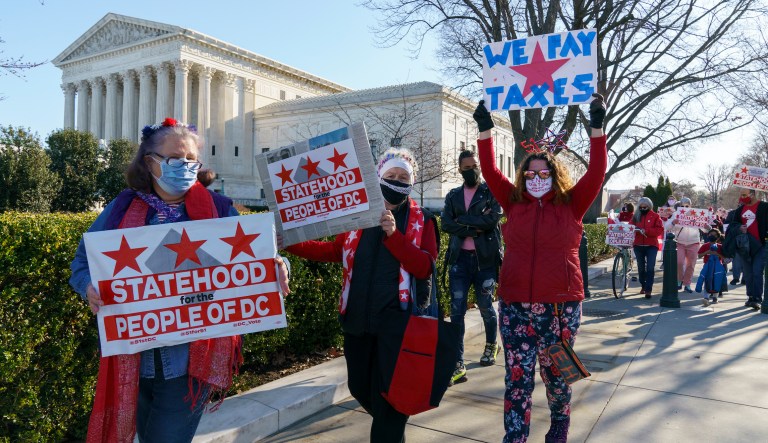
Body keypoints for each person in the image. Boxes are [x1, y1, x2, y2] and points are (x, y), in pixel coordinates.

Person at [69, 118, 290, 443]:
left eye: (191, 160)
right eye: (175, 159)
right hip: (135, 358)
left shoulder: (219, 209)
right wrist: (88, 286)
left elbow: (257, 258)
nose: (184, 166)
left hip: (192, 362)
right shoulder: (120, 209)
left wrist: (278, 266)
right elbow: (82, 264)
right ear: (150, 161)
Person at [472, 93, 607, 443]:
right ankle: (514, 437)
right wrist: (485, 130)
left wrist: (596, 126)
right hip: (516, 305)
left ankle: (560, 420)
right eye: (530, 172)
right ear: (522, 175)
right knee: (516, 378)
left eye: (543, 172)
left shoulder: (572, 204)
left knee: (556, 376)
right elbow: (488, 170)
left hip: (560, 307)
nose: (536, 177)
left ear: (554, 174)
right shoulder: (513, 203)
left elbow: (596, 171)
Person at [285, 147, 438, 443]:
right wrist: (289, 243)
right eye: (390, 175)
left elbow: (424, 268)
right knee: (361, 389)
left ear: (412, 181)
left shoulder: (424, 220)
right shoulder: (358, 215)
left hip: (398, 328)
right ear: (378, 177)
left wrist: (395, 236)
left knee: (392, 407)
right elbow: (335, 251)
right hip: (357, 322)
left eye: (402, 177)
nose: (396, 181)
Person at [441, 149, 502, 385]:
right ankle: (458, 362)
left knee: (486, 306)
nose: (472, 171)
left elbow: (492, 219)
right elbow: (446, 224)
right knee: (457, 312)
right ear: (460, 170)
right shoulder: (453, 195)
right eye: (466, 168)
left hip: (485, 260)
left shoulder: (490, 192)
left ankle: (491, 344)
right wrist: (472, 227)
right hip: (460, 261)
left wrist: (461, 221)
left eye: (474, 166)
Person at [724, 189, 768, 310]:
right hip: (744, 247)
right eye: (741, 195)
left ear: (753, 194)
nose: (742, 197)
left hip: (760, 246)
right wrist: (739, 228)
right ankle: (750, 297)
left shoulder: (764, 207)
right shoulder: (739, 210)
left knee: (757, 272)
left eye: (744, 195)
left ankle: (757, 298)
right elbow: (731, 226)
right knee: (748, 274)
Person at [664, 197, 702, 293]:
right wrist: (673, 222)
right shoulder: (677, 214)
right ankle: (679, 281)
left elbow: (706, 227)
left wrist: (702, 224)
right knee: (679, 262)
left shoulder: (696, 214)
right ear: (679, 206)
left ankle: (687, 284)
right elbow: (667, 227)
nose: (684, 207)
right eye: (682, 206)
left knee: (690, 265)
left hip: (694, 242)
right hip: (680, 242)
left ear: (690, 206)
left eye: (687, 206)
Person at [631, 197, 664, 298]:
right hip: (638, 245)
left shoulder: (655, 216)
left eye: (645, 207)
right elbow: (630, 227)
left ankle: (648, 289)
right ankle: (643, 285)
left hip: (651, 246)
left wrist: (647, 231)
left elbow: (659, 230)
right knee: (641, 268)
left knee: (650, 267)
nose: (643, 208)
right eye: (641, 207)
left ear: (649, 206)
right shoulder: (636, 216)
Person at [697, 228, 725, 306]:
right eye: (711, 234)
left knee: (716, 281)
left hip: (717, 268)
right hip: (707, 267)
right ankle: (706, 297)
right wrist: (707, 252)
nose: (712, 236)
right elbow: (699, 255)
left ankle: (715, 297)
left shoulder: (720, 246)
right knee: (707, 280)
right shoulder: (705, 245)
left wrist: (717, 254)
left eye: (714, 235)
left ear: (718, 237)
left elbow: (724, 257)